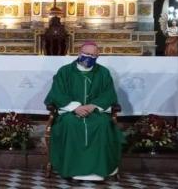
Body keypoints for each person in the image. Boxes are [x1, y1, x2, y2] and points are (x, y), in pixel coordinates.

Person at [45, 42, 123, 182]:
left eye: (92, 55)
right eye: (86, 53)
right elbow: (57, 93)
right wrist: (75, 107)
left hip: (95, 112)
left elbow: (109, 94)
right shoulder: (65, 71)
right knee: (69, 123)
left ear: (98, 56)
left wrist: (93, 105)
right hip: (70, 112)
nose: (88, 57)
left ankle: (99, 171)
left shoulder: (103, 72)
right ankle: (72, 170)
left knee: (103, 124)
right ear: (79, 53)